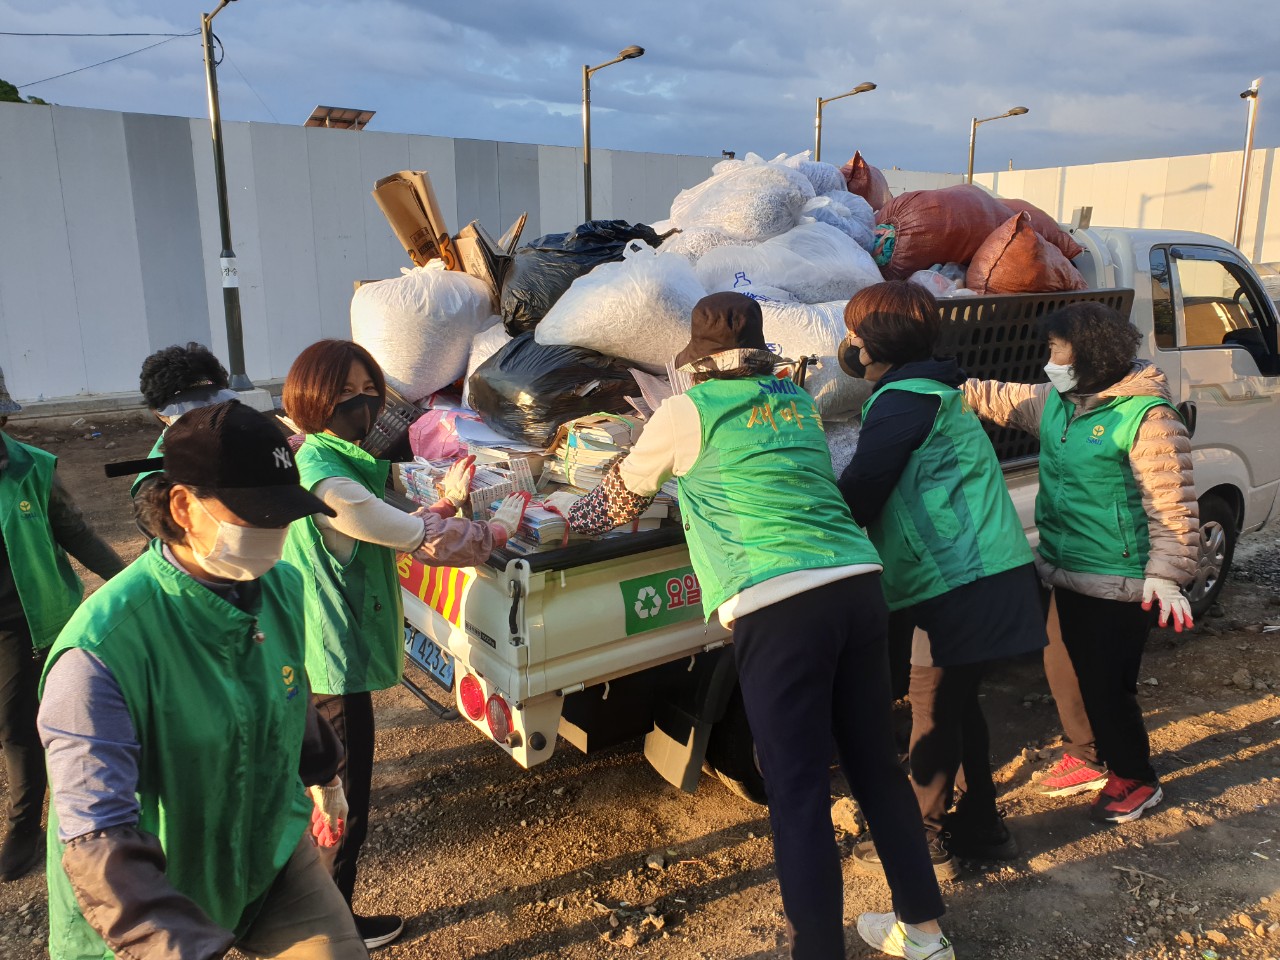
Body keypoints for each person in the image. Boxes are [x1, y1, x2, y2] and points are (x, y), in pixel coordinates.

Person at [567, 293, 953, 960]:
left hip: (778, 603)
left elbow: (620, 497)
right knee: (873, 766)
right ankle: (923, 932)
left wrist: (547, 523)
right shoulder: (795, 401)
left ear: (698, 363)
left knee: (797, 789)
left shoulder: (685, 412)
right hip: (857, 586)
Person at [38, 400, 367, 959]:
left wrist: (323, 773)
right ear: (185, 506)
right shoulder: (100, 656)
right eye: (257, 514)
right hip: (154, 899)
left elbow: (288, 690)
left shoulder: (279, 586)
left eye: (284, 513)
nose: (276, 532)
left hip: (264, 852)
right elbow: (99, 843)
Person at [281, 339, 525, 950]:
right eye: (346, 395)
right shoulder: (328, 482)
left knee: (328, 791)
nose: (363, 405)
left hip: (318, 652)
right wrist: (497, 528)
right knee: (342, 802)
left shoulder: (322, 460)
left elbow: (390, 528)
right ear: (312, 399)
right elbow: (423, 540)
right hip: (331, 663)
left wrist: (444, 497)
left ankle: (319, 915)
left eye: (369, 391)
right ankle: (333, 929)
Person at [834, 282, 1047, 879]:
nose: (848, 344)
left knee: (932, 704)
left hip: (958, 575)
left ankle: (923, 838)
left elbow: (862, 492)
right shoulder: (933, 389)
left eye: (855, 332)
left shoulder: (903, 400)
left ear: (875, 342)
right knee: (958, 704)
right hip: (981, 568)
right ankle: (983, 826)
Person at [963, 301, 1198, 823]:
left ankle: (1136, 778)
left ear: (1088, 354)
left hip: (1119, 576)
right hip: (1064, 564)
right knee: (1063, 666)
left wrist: (1165, 575)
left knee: (1106, 686)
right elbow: (997, 398)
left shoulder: (1147, 417)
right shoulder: (1058, 402)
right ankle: (1088, 756)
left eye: (1055, 350)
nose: (1049, 360)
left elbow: (1173, 505)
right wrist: (937, 380)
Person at [0, 366, 124, 883]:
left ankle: (28, 828)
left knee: (27, 725)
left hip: (30, 622)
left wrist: (131, 583)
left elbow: (77, 533)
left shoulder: (30, 467)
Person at [132, 342, 238, 502]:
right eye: (187, 407)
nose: (205, 415)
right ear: (161, 414)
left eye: (211, 403)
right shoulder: (156, 484)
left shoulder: (237, 442)